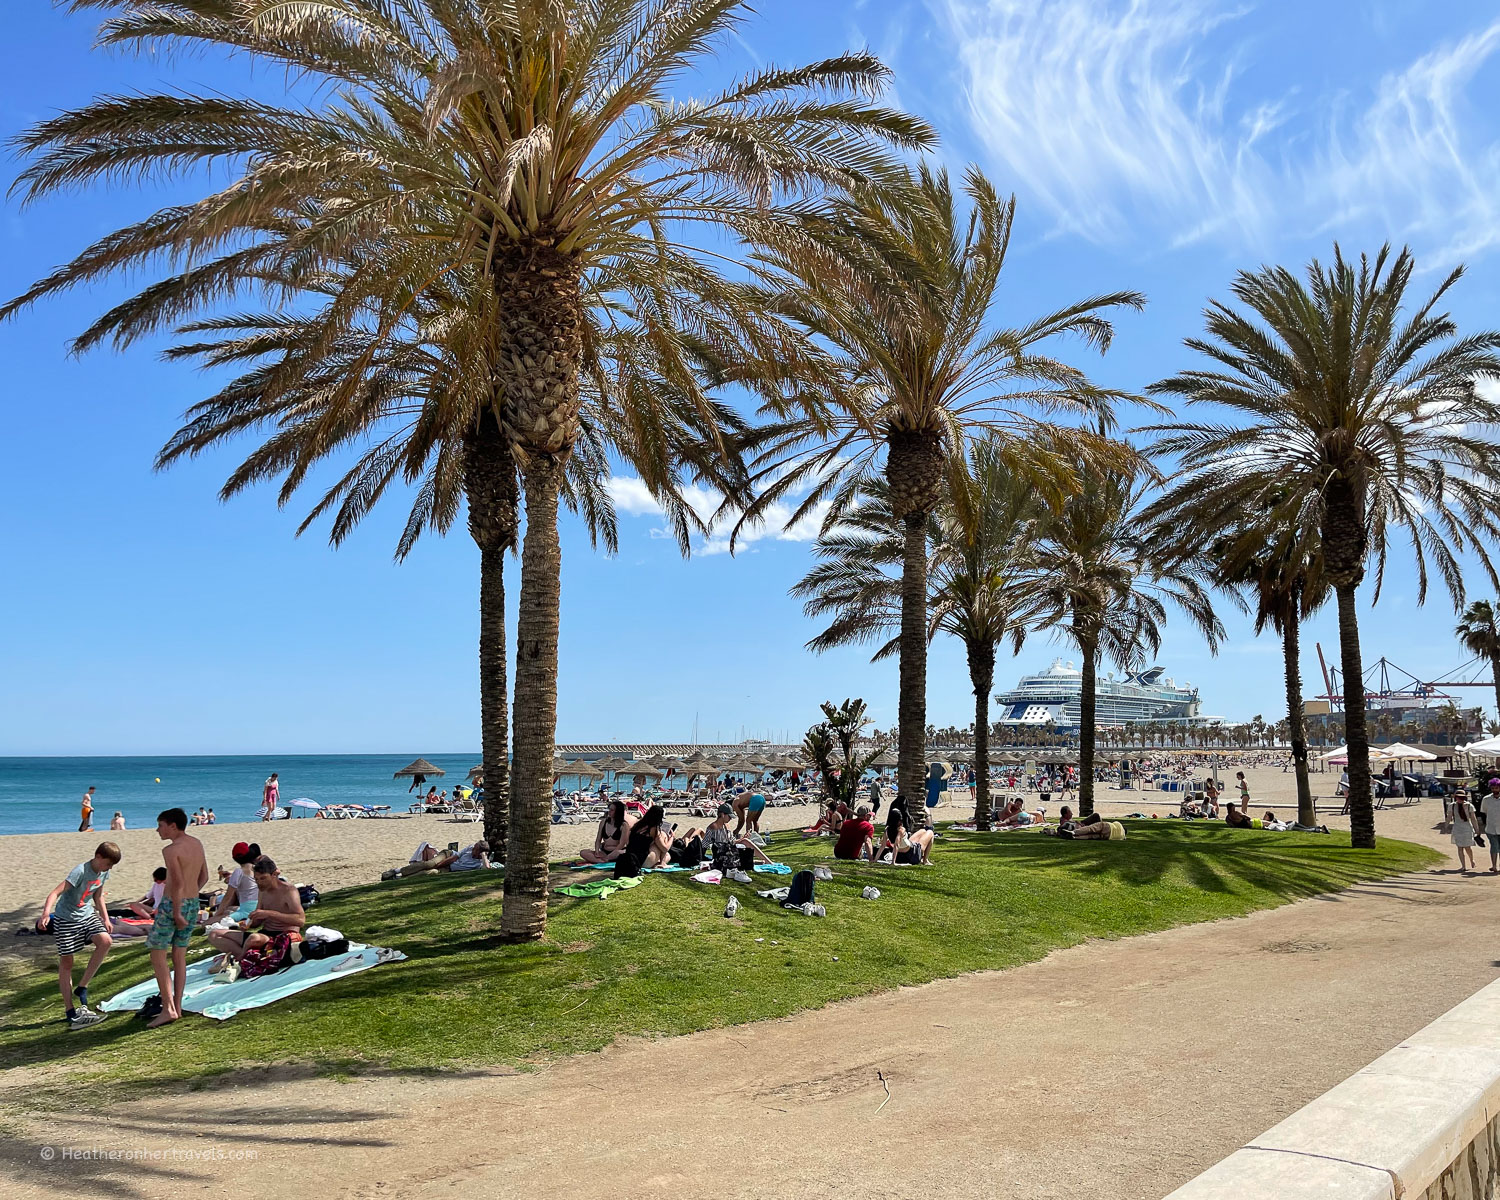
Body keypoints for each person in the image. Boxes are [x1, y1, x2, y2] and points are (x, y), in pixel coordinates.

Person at [42, 841, 121, 1029]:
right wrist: (46, 913)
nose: (109, 868)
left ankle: (82, 986)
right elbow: (54, 893)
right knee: (67, 963)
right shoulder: (80, 871)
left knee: (105, 941)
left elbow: (98, 896)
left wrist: (106, 918)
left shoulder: (104, 872)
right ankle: (70, 1011)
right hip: (65, 919)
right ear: (98, 857)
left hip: (86, 915)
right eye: (108, 863)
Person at [147, 807, 208, 1028]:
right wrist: (191, 897)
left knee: (157, 954)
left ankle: (168, 1008)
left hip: (174, 904)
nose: (157, 830)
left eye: (160, 825)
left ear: (173, 825)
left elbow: (178, 882)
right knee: (179, 956)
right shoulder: (196, 843)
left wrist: (176, 910)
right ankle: (178, 1006)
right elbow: (204, 876)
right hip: (192, 902)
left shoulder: (171, 850)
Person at [208, 855, 307, 974]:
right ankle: (244, 957)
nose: (259, 883)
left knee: (253, 938)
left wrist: (269, 914)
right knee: (214, 934)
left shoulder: (288, 891)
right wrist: (248, 924)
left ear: (274, 875)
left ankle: (240, 960)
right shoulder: (262, 891)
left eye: (263, 878)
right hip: (264, 935)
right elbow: (258, 921)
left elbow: (300, 920)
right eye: (256, 879)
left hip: (283, 936)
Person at [614, 805, 674, 877]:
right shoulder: (653, 828)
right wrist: (672, 837)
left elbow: (629, 842)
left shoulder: (638, 825)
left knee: (663, 849)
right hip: (643, 861)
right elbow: (665, 848)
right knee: (663, 838)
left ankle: (660, 862)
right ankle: (662, 863)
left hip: (631, 859)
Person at [210, 842, 261, 925]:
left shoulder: (238, 871)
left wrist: (217, 914)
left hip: (247, 912)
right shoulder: (257, 868)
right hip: (258, 908)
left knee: (205, 924)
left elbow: (227, 897)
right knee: (229, 909)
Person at [1452, 789, 1479, 873]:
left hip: (1467, 828)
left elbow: (1473, 818)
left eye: (1462, 797)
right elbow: (1449, 816)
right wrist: (1446, 825)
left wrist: (1477, 829)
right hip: (1457, 828)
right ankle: (1463, 866)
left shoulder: (1469, 806)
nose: (1460, 799)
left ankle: (1471, 860)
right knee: (1460, 847)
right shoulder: (1452, 806)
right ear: (1456, 797)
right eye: (1458, 797)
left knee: (1468, 847)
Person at [1479, 779, 1500, 875]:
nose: (1495, 790)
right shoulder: (1486, 799)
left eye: (1496, 788)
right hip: (1491, 828)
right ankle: (1494, 865)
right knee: (1494, 847)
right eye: (1493, 788)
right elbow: (1484, 812)